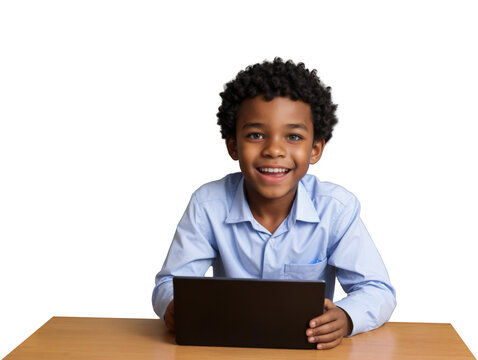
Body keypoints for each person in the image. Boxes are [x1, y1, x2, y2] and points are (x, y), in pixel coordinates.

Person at [152, 57, 396, 350]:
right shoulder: (208, 205)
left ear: (315, 149)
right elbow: (169, 284)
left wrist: (346, 316)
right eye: (256, 135)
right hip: (227, 349)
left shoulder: (335, 209)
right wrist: (173, 306)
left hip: (307, 351)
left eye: (293, 136)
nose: (274, 150)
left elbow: (377, 290)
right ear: (233, 145)